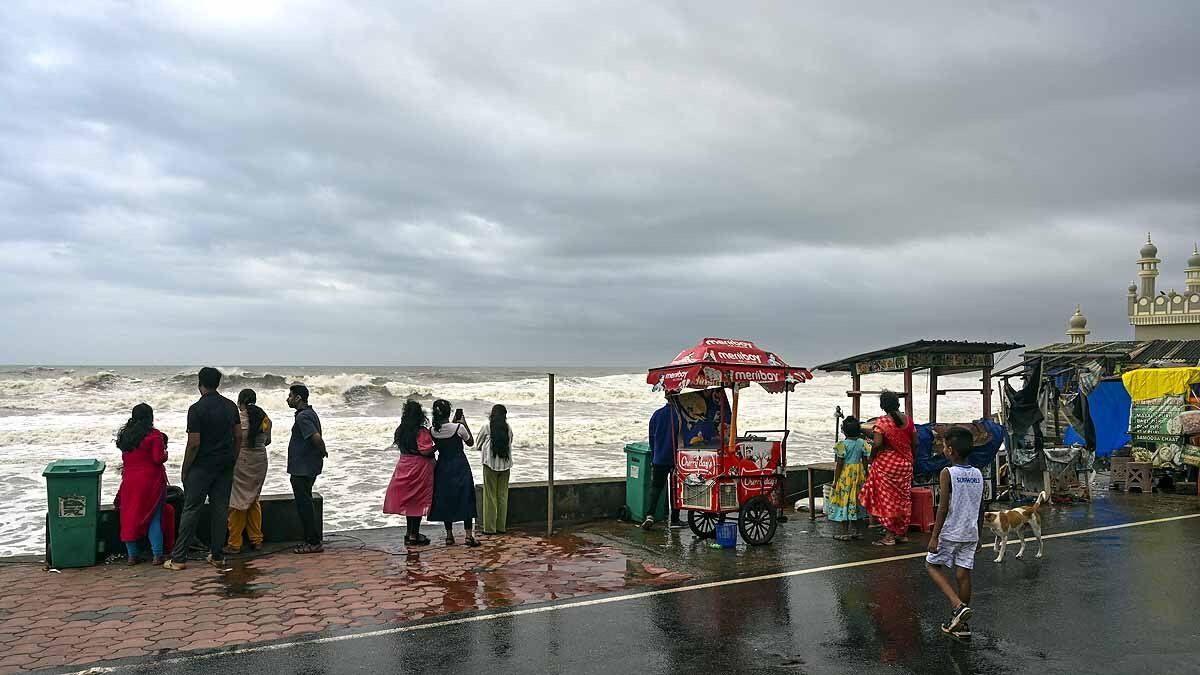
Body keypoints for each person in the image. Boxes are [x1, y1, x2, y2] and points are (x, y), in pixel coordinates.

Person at [164, 367, 242, 571]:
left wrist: (185, 468)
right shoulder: (230, 406)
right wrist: (232, 458)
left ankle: (179, 558)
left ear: (200, 384)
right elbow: (239, 436)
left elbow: (194, 444)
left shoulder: (196, 409)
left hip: (202, 466)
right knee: (220, 509)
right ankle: (217, 556)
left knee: (191, 509)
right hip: (224, 465)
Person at [925, 426, 984, 641]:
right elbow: (980, 506)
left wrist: (934, 536)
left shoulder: (947, 473)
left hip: (951, 531)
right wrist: (980, 535)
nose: (942, 448)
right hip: (970, 532)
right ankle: (962, 625)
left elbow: (942, 507)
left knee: (931, 565)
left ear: (951, 450)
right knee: (963, 575)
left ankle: (957, 606)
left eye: (944, 446)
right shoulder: (977, 473)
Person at [859, 390, 917, 546]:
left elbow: (877, 444)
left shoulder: (882, 422)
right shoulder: (909, 421)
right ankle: (901, 534)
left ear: (882, 406)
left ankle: (889, 536)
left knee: (887, 500)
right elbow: (915, 443)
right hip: (905, 465)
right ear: (897, 403)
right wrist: (912, 460)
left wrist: (872, 458)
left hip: (887, 465)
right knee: (903, 499)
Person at [115, 403, 169, 565]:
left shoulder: (126, 437)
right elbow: (158, 458)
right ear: (150, 417)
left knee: (129, 517)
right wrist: (166, 453)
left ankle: (132, 556)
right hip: (151, 482)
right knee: (154, 517)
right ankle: (157, 555)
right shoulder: (155, 435)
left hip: (130, 481)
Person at [383, 400, 437, 546]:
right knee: (417, 502)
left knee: (409, 503)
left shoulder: (400, 430)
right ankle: (414, 535)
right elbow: (425, 451)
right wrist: (437, 446)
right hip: (420, 469)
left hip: (404, 465)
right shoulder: (421, 432)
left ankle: (409, 532)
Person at [225, 389, 272, 555]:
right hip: (260, 461)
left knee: (237, 501)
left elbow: (233, 440)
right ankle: (256, 539)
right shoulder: (264, 418)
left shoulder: (237, 419)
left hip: (241, 461)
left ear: (239, 402)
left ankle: (235, 543)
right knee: (253, 499)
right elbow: (268, 440)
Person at [428, 399, 479, 547]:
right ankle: (469, 536)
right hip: (460, 465)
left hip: (442, 467)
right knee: (466, 497)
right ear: (449, 412)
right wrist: (463, 423)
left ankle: (449, 535)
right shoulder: (458, 428)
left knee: (446, 499)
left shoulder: (432, 430)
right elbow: (470, 442)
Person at [287, 383, 327, 554]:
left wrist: (323, 451)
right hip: (307, 465)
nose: (287, 399)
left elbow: (316, 437)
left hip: (302, 468)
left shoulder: (302, 417)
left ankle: (313, 542)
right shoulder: (310, 413)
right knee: (306, 501)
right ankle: (312, 540)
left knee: (304, 504)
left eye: (290, 396)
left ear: (298, 398)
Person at [641, 395, 682, 530]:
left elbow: (651, 438)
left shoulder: (656, 414)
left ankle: (650, 515)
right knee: (675, 488)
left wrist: (654, 455)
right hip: (675, 458)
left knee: (656, 488)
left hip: (659, 457)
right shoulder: (680, 415)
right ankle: (675, 519)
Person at [828, 416, 869, 541]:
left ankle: (845, 533)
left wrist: (835, 481)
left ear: (844, 431)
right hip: (859, 474)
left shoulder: (842, 445)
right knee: (857, 501)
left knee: (844, 502)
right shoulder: (862, 443)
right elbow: (865, 460)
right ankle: (857, 531)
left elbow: (839, 464)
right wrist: (865, 473)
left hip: (845, 476)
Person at [477, 404, 514, 535]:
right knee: (502, 496)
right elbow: (511, 441)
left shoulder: (487, 427)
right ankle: (501, 527)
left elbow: (478, 444)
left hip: (490, 465)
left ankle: (490, 528)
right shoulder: (508, 428)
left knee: (490, 496)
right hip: (505, 465)